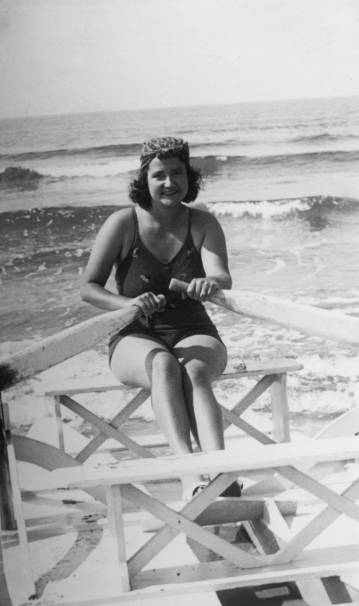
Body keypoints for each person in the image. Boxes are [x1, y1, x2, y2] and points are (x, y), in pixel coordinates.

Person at [81, 136, 239, 500]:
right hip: (134, 335)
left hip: (194, 329)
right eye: (160, 175)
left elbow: (222, 277)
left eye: (177, 173)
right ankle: (189, 476)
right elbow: (89, 288)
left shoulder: (203, 223)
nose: (170, 183)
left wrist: (207, 282)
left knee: (194, 371)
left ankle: (221, 475)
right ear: (144, 180)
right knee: (164, 366)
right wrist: (127, 305)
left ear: (189, 176)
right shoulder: (122, 223)